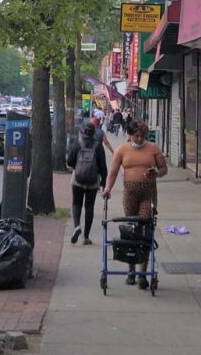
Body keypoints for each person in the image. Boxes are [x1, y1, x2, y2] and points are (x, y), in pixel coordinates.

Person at [102, 120, 167, 290]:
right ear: (130, 135)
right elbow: (113, 172)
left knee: (144, 229)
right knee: (131, 230)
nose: (139, 139)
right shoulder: (122, 150)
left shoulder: (153, 148)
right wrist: (107, 188)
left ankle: (143, 273)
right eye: (136, 136)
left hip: (148, 194)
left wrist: (156, 173)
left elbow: (164, 169)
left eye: (142, 136)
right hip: (129, 193)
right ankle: (131, 269)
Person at [66, 122, 107, 246]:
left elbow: (69, 161)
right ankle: (86, 236)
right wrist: (103, 183)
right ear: (94, 133)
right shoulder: (98, 146)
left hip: (77, 179)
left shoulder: (77, 144)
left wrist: (77, 167)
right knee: (89, 207)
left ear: (82, 132)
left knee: (76, 203)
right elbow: (103, 166)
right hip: (93, 181)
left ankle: (77, 226)